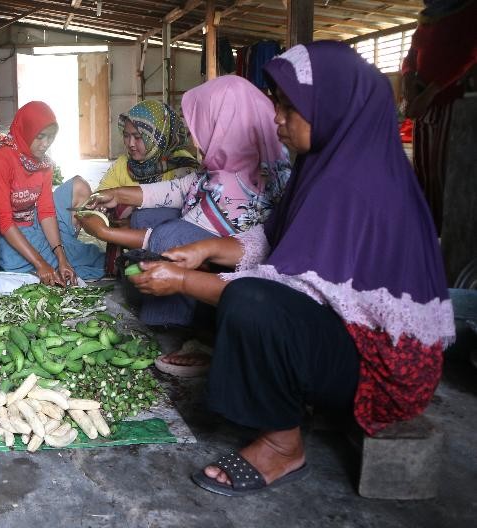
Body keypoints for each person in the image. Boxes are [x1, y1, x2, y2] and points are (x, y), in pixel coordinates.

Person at [128, 41, 454, 495]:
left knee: (249, 301)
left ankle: (282, 446)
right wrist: (204, 251)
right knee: (227, 291)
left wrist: (184, 279)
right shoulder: (323, 163)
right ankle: (263, 380)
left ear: (333, 108)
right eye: (277, 105)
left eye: (289, 108)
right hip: (344, 338)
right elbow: (272, 240)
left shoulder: (357, 185)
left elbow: (288, 295)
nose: (276, 118)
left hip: (381, 370)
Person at [82, 76, 289, 334]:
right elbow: (180, 188)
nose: (194, 138)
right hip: (213, 254)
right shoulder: (230, 165)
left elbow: (175, 237)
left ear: (226, 124)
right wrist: (118, 194)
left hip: (233, 279)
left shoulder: (237, 186)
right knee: (146, 218)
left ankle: (174, 322)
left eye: (202, 125)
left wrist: (104, 233)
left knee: (170, 234)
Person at [0, 101, 105, 284]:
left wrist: (61, 256)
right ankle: (48, 257)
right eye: (40, 137)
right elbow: (4, 222)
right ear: (26, 131)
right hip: (8, 232)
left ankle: (61, 254)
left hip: (34, 224)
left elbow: (46, 211)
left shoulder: (43, 163)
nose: (45, 144)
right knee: (23, 263)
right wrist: (40, 263)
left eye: (50, 137)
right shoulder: (1, 161)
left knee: (70, 258)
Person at [401, 0, 477, 235]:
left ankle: (447, 235)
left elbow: (469, 56)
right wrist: (408, 83)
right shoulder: (428, 17)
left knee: (444, 172)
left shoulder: (469, 11)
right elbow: (411, 56)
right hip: (425, 104)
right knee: (424, 171)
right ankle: (428, 230)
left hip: (451, 102)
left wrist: (433, 90)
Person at [96, 99, 198, 229]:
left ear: (158, 136)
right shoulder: (123, 164)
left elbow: (189, 214)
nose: (131, 143)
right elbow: (101, 195)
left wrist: (134, 220)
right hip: (127, 236)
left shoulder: (182, 165)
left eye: (138, 137)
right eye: (126, 136)